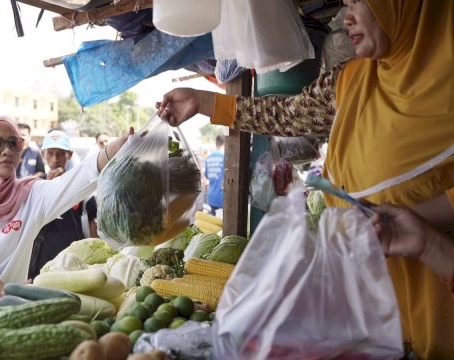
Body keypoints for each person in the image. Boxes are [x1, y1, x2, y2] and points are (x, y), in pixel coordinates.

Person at [156, 1, 454, 357]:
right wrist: (205, 103)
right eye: (345, 4)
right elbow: (286, 115)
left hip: (436, 290)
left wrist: (418, 220)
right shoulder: (351, 80)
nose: (347, 17)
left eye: (361, 1)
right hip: (362, 306)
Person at [0, 115, 131, 317]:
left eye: (14, 143)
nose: (7, 151)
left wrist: (117, 148)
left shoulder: (30, 196)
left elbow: (81, 177)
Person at [27, 130, 98, 280]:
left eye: (60, 153)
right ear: (42, 154)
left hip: (73, 264)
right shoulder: (34, 187)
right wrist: (48, 187)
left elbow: (94, 236)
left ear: (70, 155)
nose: (55, 159)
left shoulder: (82, 191)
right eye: (50, 153)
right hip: (40, 263)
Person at [204, 135, 224, 215]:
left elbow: (207, 176)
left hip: (211, 197)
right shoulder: (226, 157)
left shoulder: (208, 157)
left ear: (216, 144)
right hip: (223, 198)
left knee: (214, 225)